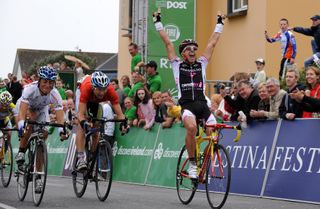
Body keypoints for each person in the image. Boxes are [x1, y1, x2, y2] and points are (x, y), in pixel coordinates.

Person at [153, 8, 223, 179]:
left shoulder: (202, 63)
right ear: (183, 53)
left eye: (194, 48)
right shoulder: (177, 64)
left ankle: (204, 164)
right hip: (187, 106)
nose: (192, 51)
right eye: (188, 49)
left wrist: (220, 23)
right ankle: (192, 164)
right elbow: (168, 43)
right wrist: (158, 22)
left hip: (203, 105)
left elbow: (212, 43)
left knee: (214, 138)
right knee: (191, 127)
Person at [14, 66, 68, 193]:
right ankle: (21, 152)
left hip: (41, 109)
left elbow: (60, 116)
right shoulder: (29, 89)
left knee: (43, 135)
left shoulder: (55, 94)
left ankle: (38, 176)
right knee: (28, 124)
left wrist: (62, 131)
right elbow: (22, 112)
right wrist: (21, 124)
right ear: (39, 81)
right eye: (45, 82)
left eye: (51, 82)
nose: (48, 85)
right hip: (25, 106)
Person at [75, 71, 127, 171]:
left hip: (96, 103)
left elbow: (120, 114)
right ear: (94, 87)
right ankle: (81, 158)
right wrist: (83, 122)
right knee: (81, 125)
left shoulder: (111, 91)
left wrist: (123, 124)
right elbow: (80, 114)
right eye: (99, 89)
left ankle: (91, 158)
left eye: (104, 89)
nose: (102, 92)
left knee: (96, 131)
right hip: (82, 95)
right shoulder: (86, 88)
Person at [0, 91, 17, 161]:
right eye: (2, 105)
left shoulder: (12, 106)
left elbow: (17, 114)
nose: (4, 107)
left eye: (6, 105)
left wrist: (18, 124)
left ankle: (5, 150)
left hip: (5, 121)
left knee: (9, 133)